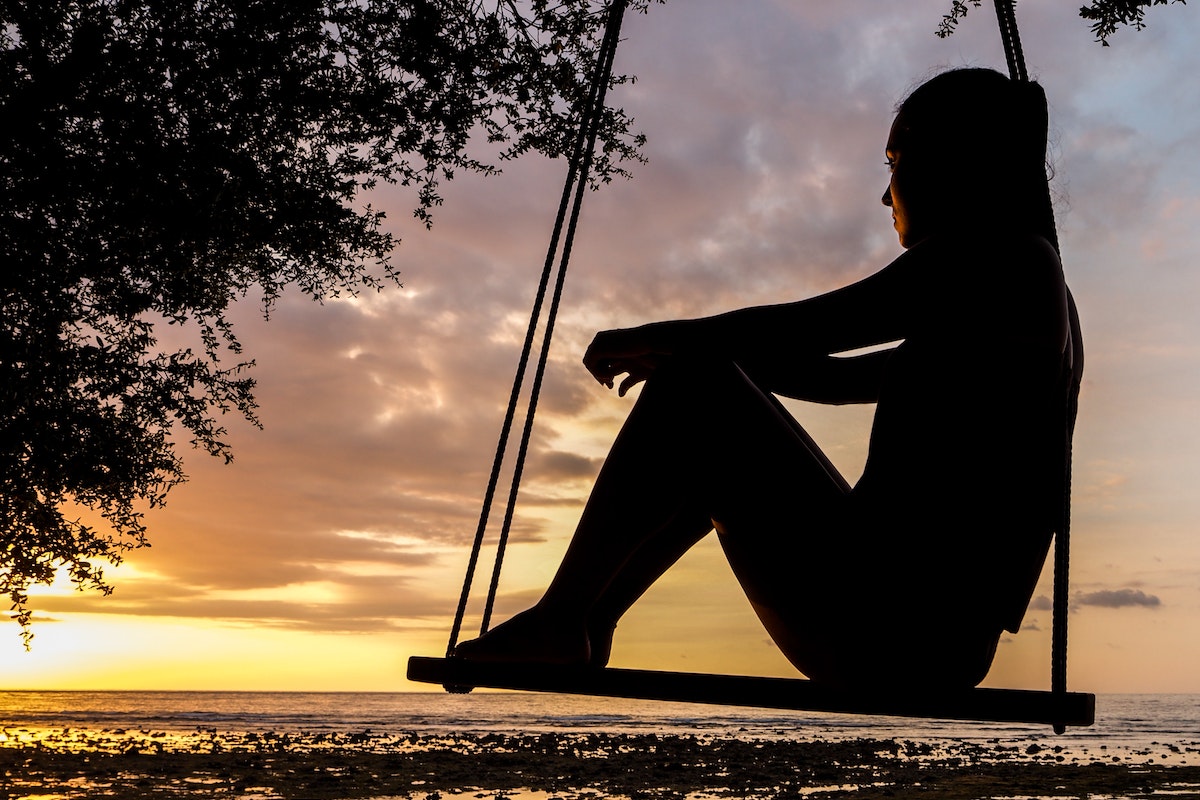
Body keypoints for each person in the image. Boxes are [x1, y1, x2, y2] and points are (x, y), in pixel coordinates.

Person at [454, 67, 1082, 689]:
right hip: (925, 636)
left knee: (698, 386)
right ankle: (587, 622)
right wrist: (704, 357)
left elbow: (818, 325)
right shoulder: (1024, 291)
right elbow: (833, 377)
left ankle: (564, 618)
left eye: (894, 161)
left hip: (891, 628)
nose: (886, 196)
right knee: (706, 394)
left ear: (952, 158)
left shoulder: (998, 261)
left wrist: (670, 342)